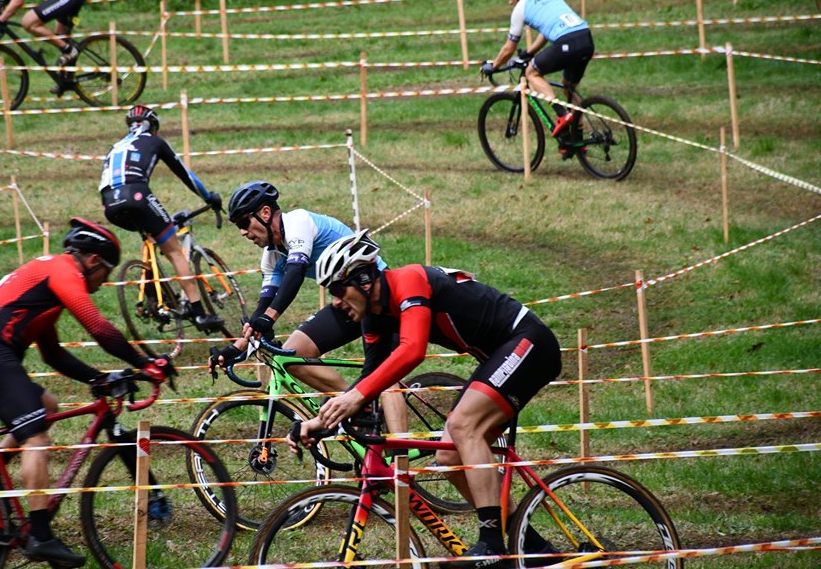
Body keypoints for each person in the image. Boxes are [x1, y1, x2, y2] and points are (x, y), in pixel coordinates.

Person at [292, 229, 562, 568]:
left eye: (336, 288)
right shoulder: (376, 316)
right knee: (449, 460)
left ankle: (493, 544)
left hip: (529, 341)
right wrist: (320, 421)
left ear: (363, 279)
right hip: (500, 354)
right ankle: (534, 547)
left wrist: (353, 398)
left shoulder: (410, 281)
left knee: (464, 426)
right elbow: (371, 375)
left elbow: (412, 350)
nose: (333, 301)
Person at [0, 218, 172, 567]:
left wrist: (96, 378)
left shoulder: (43, 282)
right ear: (95, 261)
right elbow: (98, 328)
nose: (103, 282)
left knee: (46, 406)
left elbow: (51, 353)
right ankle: (40, 534)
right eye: (107, 273)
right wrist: (145, 362)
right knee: (36, 437)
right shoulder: (63, 271)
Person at [215, 180, 407, 433]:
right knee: (292, 354)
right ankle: (359, 406)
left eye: (243, 223)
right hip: (349, 302)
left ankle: (400, 464)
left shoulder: (298, 222)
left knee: (385, 376)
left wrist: (269, 319)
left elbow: (294, 273)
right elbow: (266, 303)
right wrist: (238, 346)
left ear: (264, 213)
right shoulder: (272, 254)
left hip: (378, 296)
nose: (242, 232)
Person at [99, 105, 224, 331]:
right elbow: (185, 174)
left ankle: (152, 291)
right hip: (136, 194)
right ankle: (198, 313)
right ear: (152, 126)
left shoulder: (114, 147)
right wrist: (209, 197)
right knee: (174, 249)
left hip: (108, 203)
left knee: (149, 234)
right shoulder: (155, 141)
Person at [483, 0, 595, 146]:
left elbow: (508, 48)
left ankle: (561, 115)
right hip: (586, 39)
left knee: (531, 73)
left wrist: (494, 65)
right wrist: (529, 52)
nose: (510, 1)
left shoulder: (520, 8)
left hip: (567, 42)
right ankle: (577, 141)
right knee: (569, 88)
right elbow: (546, 31)